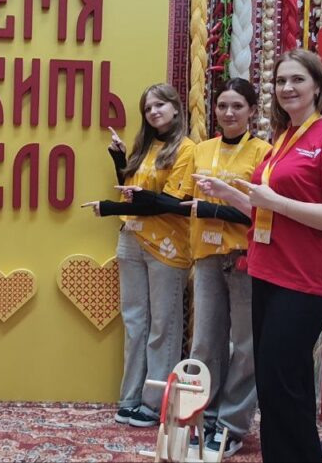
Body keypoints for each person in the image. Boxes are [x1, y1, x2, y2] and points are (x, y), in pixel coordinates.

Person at [193, 49, 322, 462]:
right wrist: (232, 195)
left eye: (297, 80)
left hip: (305, 279)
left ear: (318, 87)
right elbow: (267, 209)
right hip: (267, 270)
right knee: (279, 385)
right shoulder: (285, 138)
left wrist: (275, 202)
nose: (287, 88)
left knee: (282, 383)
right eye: (281, 80)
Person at [81, 84, 195, 428]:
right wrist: (120, 159)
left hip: (167, 247)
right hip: (131, 239)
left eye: (160, 105)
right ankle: (130, 398)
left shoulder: (187, 149)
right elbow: (133, 193)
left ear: (175, 107)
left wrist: (110, 207)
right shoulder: (144, 146)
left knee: (163, 325)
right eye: (148, 108)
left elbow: (171, 203)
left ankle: (153, 403)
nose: (154, 112)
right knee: (134, 322)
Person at [178, 79, 271, 460]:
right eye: (222, 106)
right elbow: (186, 200)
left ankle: (232, 424)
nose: (229, 113)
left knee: (245, 346)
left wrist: (217, 205)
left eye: (237, 106)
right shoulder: (201, 149)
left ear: (252, 111)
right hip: (206, 255)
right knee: (205, 342)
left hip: (245, 257)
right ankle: (204, 417)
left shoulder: (263, 152)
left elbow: (263, 211)